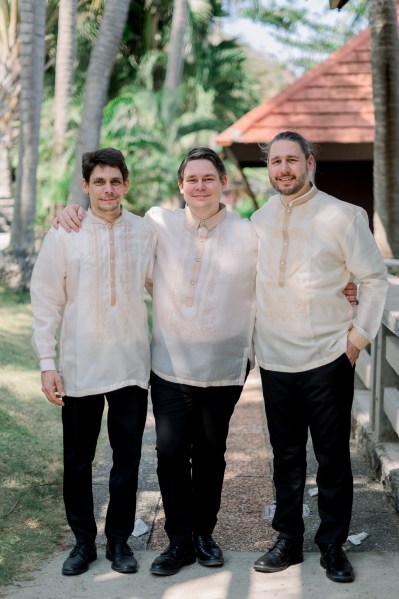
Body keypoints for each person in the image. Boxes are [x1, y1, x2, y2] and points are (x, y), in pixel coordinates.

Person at [55, 146, 358, 577]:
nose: (200, 186)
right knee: (171, 453)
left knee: (212, 455)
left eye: (207, 178)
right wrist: (72, 212)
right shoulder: (158, 224)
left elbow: (288, 276)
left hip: (225, 367)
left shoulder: (250, 231)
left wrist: (347, 289)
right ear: (181, 186)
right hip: (169, 366)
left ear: (223, 184)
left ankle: (204, 535)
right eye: (191, 179)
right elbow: (113, 223)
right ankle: (178, 541)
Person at [251, 131, 388, 584]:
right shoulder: (258, 219)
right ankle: (288, 540)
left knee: (331, 457)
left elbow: (372, 279)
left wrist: (356, 342)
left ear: (310, 162)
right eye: (276, 162)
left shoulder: (344, 215)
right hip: (275, 359)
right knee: (285, 457)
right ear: (268, 168)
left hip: (330, 356)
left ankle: (332, 545)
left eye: (292, 160)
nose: (284, 169)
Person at [30, 148, 154, 577]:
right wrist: (48, 362)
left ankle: (119, 541)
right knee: (78, 461)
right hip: (80, 366)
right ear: (86, 186)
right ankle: (83, 542)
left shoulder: (145, 232)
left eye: (115, 181)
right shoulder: (65, 233)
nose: (108, 189)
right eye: (99, 182)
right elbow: (46, 300)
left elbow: (167, 286)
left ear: (126, 184)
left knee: (127, 459)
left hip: (131, 366)